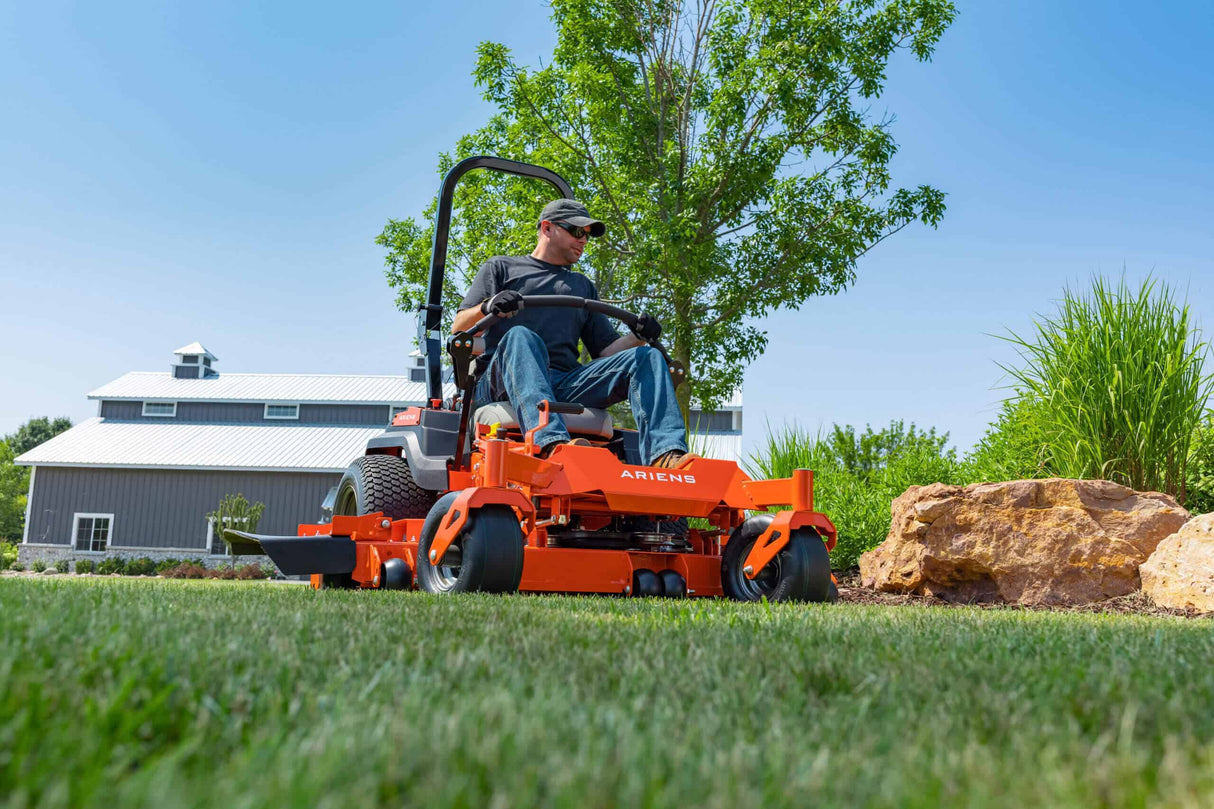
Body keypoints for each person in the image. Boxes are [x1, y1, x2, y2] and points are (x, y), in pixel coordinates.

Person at [451, 198, 695, 468]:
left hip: (565, 382)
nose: (583, 240)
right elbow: (459, 327)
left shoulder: (581, 286)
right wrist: (488, 305)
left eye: (587, 235)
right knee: (522, 335)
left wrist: (639, 335)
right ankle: (551, 444)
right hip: (502, 383)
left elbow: (606, 351)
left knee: (646, 357)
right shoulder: (501, 268)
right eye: (577, 231)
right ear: (547, 228)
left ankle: (666, 454)